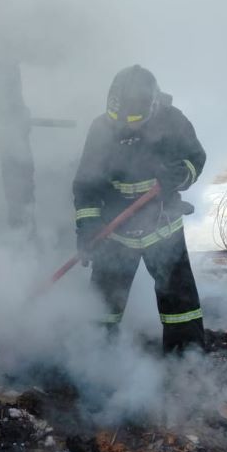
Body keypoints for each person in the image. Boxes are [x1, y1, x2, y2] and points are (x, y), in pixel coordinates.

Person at [73, 65, 206, 353]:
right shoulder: (100, 128)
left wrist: (181, 175)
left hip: (162, 226)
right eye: (117, 119)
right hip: (115, 231)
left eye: (132, 119)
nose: (124, 126)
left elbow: (196, 158)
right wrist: (87, 226)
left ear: (153, 106)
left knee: (179, 305)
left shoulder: (173, 121)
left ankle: (186, 363)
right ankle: (97, 361)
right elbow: (86, 183)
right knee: (102, 306)